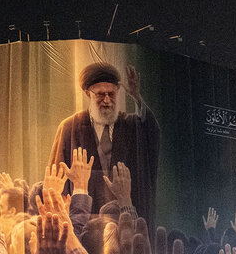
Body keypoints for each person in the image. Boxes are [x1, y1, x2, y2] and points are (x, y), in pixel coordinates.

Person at [48, 62, 161, 223]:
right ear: (88, 93)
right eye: (101, 95)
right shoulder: (69, 127)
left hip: (124, 220)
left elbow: (151, 131)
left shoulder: (131, 125)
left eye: (111, 94)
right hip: (84, 219)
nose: (107, 100)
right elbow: (56, 180)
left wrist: (137, 97)